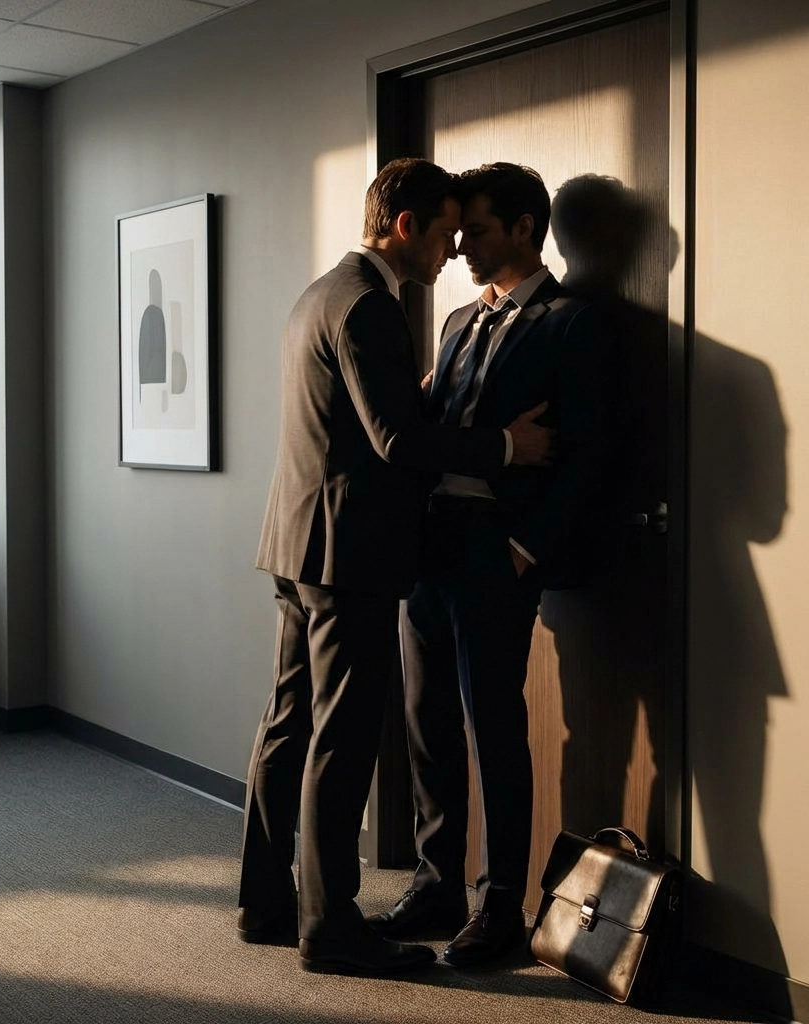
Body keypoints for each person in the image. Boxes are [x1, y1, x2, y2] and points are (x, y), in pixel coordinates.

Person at [237, 157, 555, 976]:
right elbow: (399, 443)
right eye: (447, 233)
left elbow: (361, 416)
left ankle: (266, 902)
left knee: (286, 728)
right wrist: (506, 445)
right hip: (351, 556)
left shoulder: (323, 292)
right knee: (338, 741)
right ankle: (330, 929)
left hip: (296, 542)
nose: (452, 251)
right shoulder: (373, 308)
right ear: (407, 226)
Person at [369, 163, 607, 967]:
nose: (460, 244)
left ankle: (500, 903)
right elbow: (431, 426)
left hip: (495, 549)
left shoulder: (572, 325)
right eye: (456, 230)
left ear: (525, 229)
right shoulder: (457, 322)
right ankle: (437, 883)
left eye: (476, 229)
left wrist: (524, 547)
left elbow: (589, 459)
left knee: (494, 726)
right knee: (427, 722)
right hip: (430, 543)